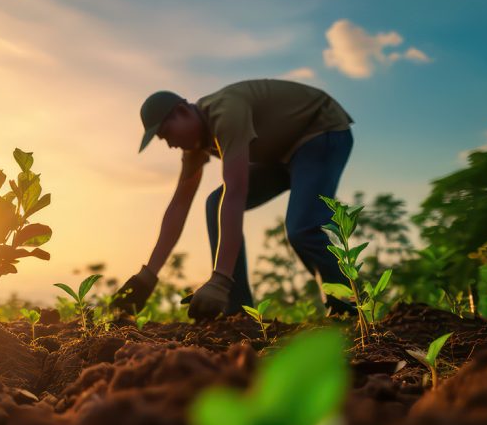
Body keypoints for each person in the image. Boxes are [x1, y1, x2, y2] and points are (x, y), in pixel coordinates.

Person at [115, 79, 356, 320]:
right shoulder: (195, 147)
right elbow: (179, 205)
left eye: (166, 133)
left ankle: (348, 306)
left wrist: (219, 281)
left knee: (302, 229)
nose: (169, 144)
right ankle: (238, 313)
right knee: (214, 202)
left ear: (183, 111)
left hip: (320, 133)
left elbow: (236, 192)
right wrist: (148, 276)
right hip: (282, 156)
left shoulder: (225, 111)